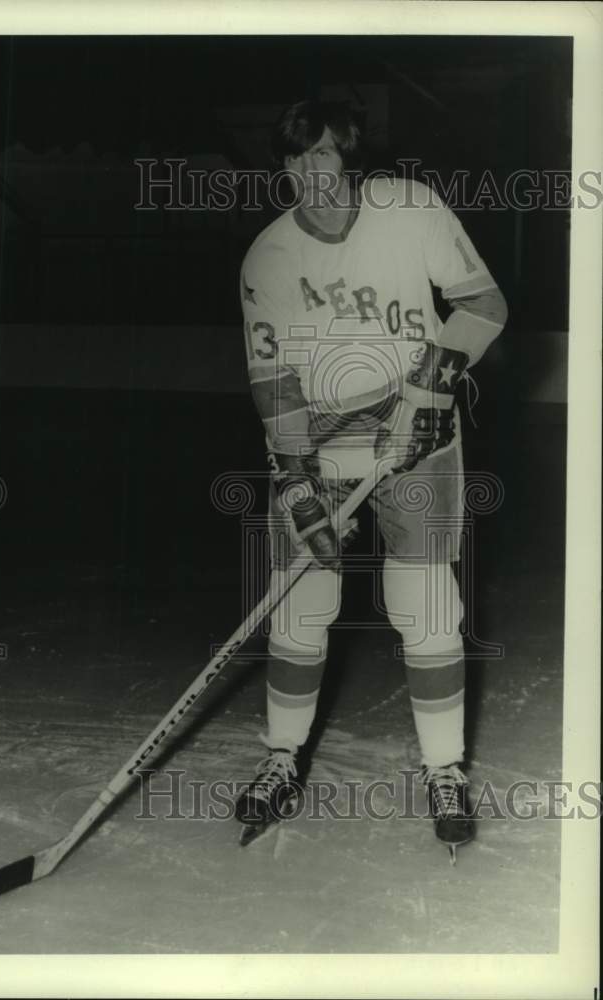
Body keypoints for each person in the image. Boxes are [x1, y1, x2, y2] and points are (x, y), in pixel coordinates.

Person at [235, 99, 507, 859]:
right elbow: (275, 386)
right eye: (294, 160)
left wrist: (427, 392)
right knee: (300, 608)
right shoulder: (267, 258)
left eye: (322, 155)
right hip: (318, 451)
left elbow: (484, 305)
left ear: (349, 157)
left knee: (423, 604)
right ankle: (282, 758)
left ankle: (444, 769)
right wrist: (296, 487)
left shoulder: (411, 210)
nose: (307, 174)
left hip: (421, 446)